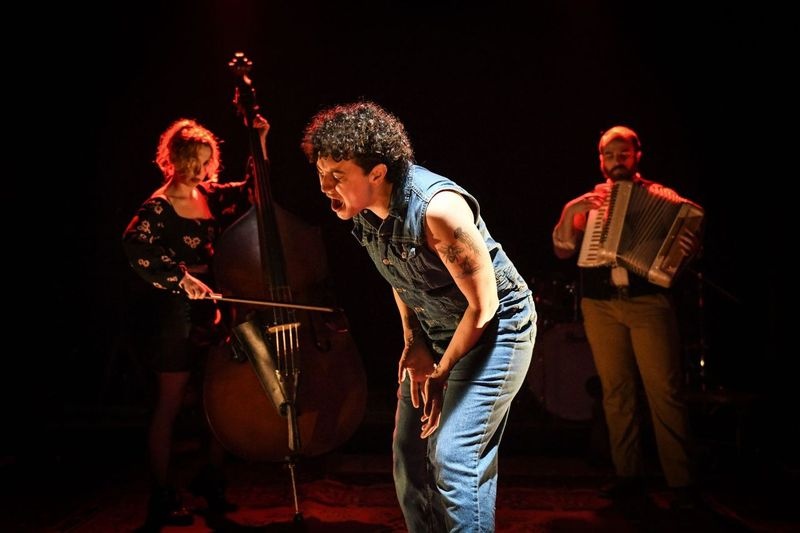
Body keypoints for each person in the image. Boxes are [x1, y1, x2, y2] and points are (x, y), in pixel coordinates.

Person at [301, 101, 536, 532]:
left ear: (377, 173)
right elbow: (399, 273)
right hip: (439, 331)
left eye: (337, 176)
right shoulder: (365, 211)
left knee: (454, 456)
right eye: (320, 173)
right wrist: (415, 342)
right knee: (410, 456)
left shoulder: (439, 211)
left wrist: (443, 371)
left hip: (498, 330)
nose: (324, 186)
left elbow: (484, 306)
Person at [122, 116, 268, 527]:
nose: (200, 171)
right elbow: (134, 245)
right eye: (192, 162)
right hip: (173, 312)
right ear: (173, 161)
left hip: (211, 308)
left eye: (205, 162)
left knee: (213, 398)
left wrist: (259, 141)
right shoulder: (159, 205)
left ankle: (211, 479)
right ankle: (162, 492)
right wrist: (180, 278)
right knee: (169, 402)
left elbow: (254, 193)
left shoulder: (209, 195)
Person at [551, 125, 701, 509]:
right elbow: (564, 250)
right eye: (609, 155)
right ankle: (628, 475)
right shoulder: (590, 200)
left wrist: (689, 247)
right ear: (601, 160)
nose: (616, 162)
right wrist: (572, 212)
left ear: (637, 156)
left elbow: (685, 243)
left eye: (624, 154)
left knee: (663, 391)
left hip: (648, 301)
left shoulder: (663, 196)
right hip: (600, 303)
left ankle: (681, 482)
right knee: (616, 390)